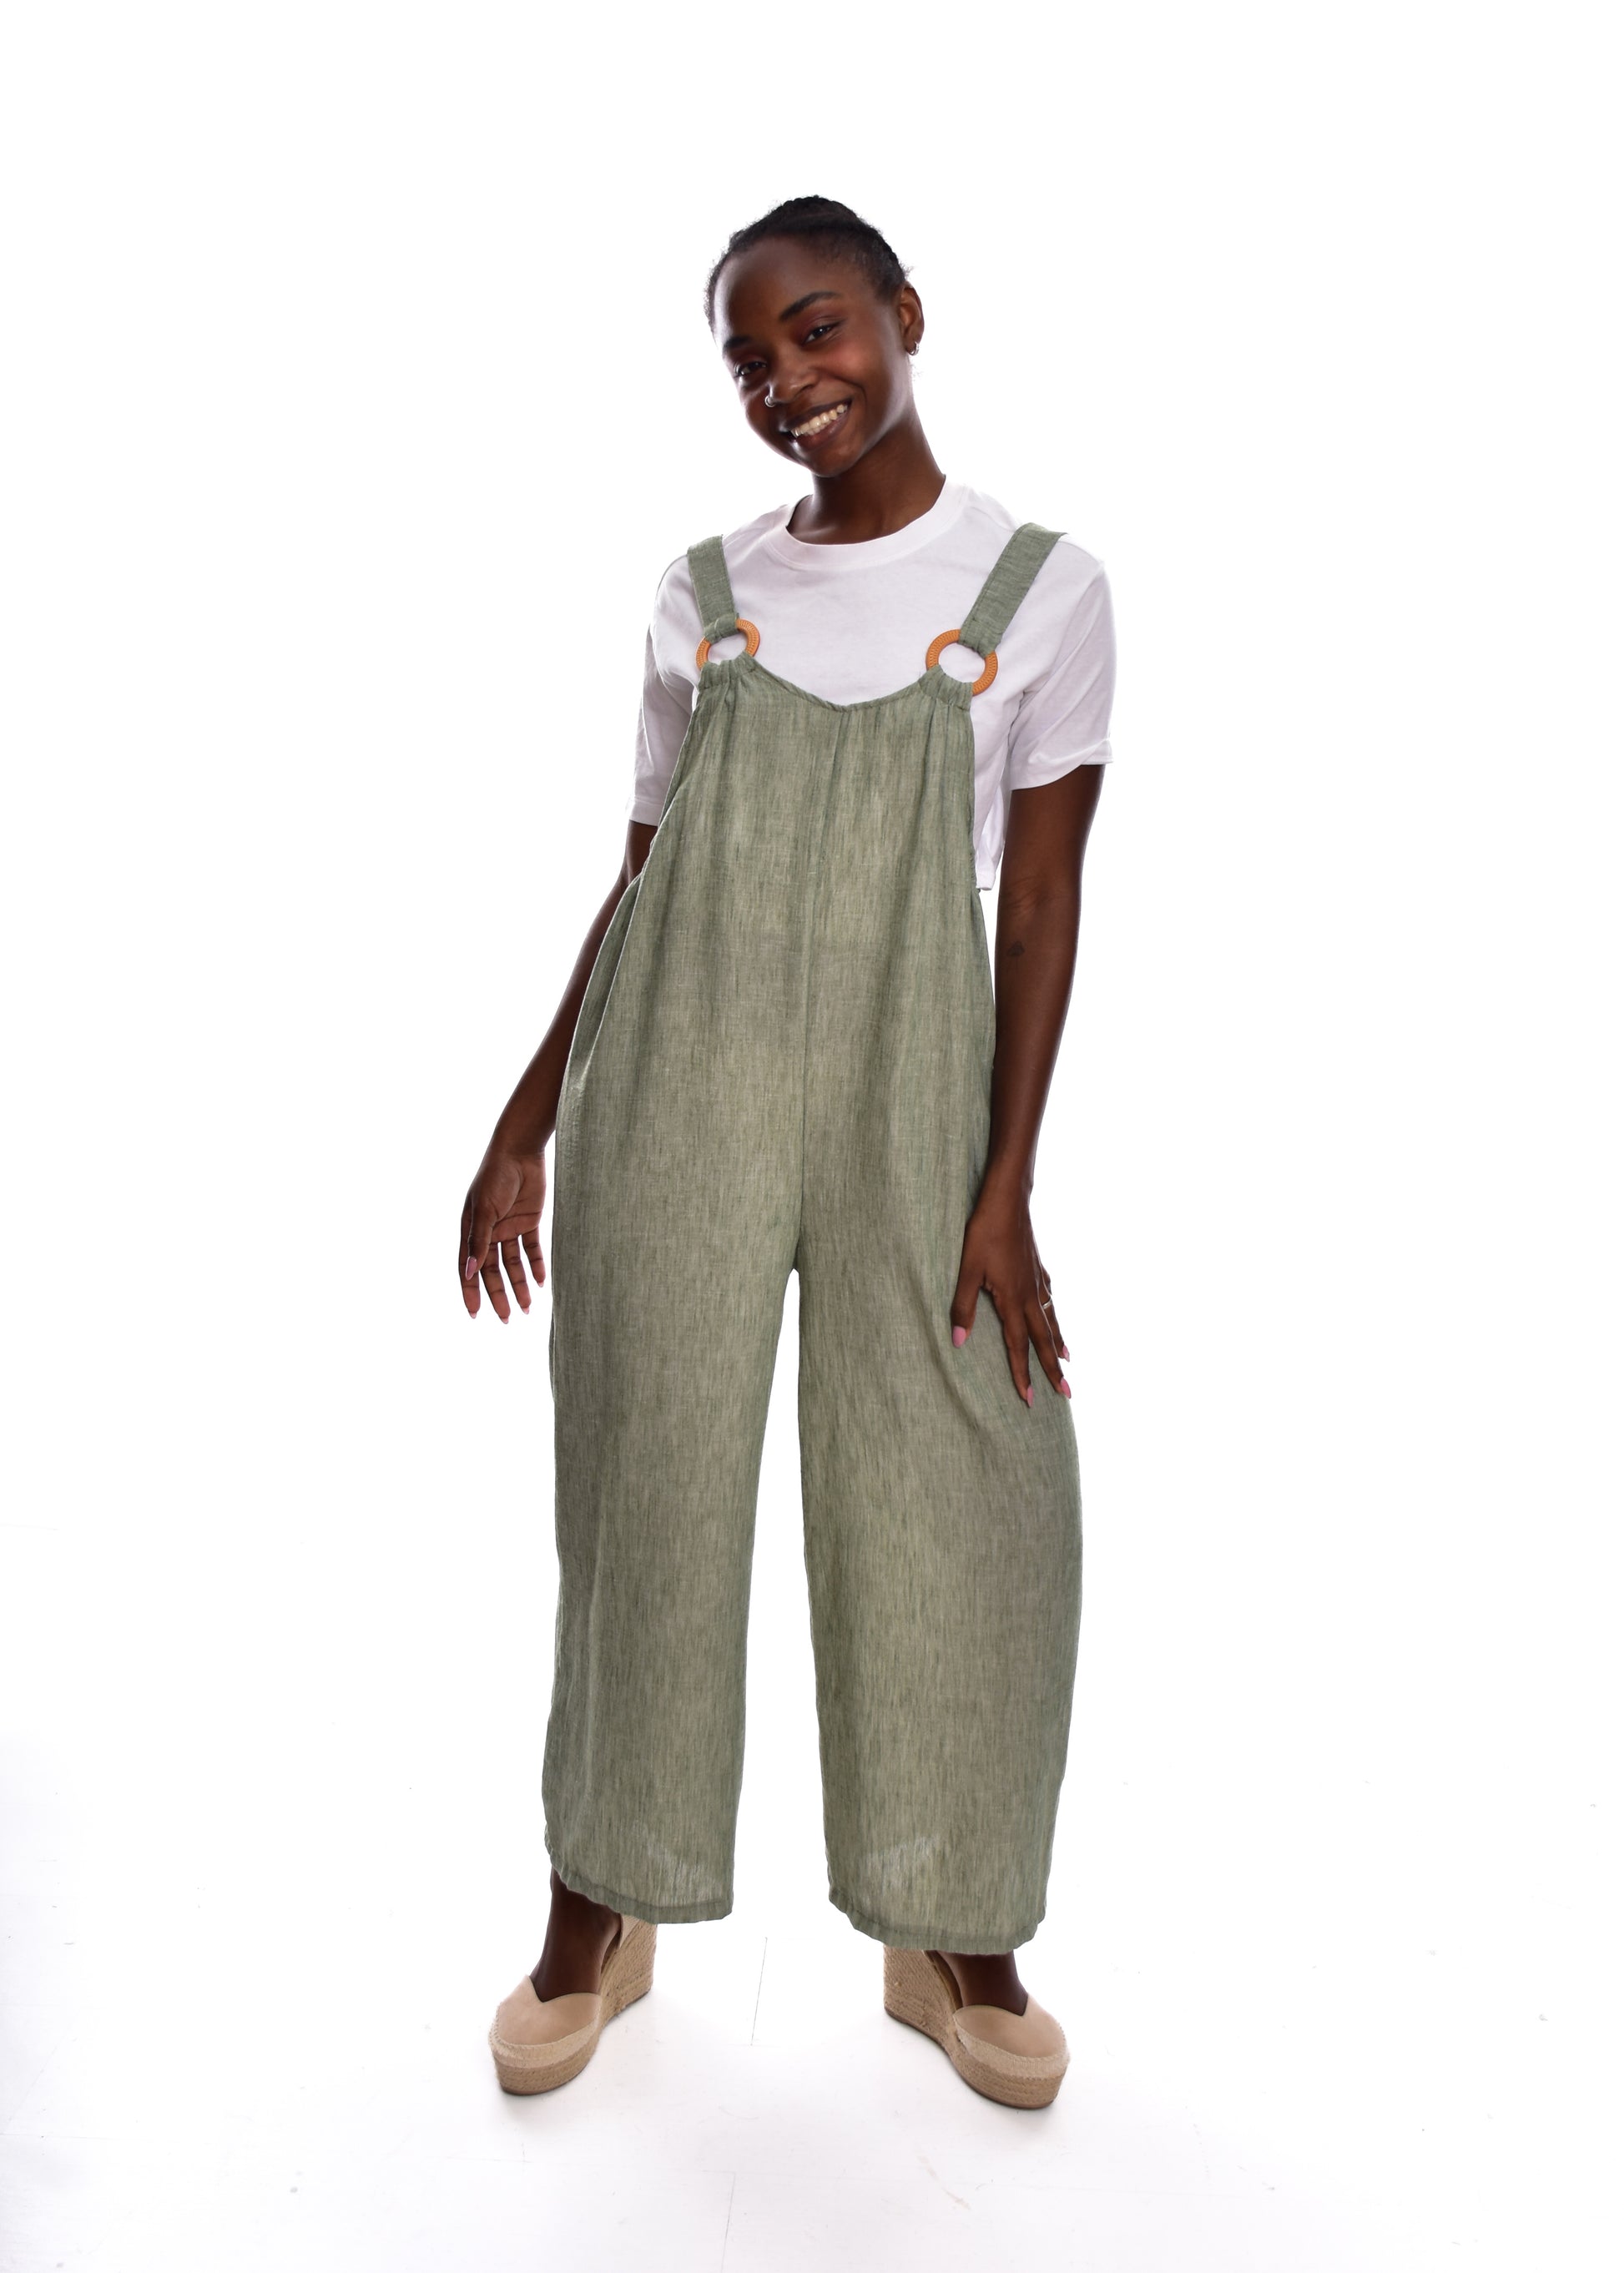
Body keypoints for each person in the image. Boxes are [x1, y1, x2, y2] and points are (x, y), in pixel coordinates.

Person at [460, 197, 1116, 2109]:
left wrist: (1003, 1190)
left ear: (903, 314)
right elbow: (640, 876)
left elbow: (1043, 908)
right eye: (748, 357)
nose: (786, 380)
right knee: (646, 1476)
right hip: (680, 1074)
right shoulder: (702, 594)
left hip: (916, 1089)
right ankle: (599, 1903)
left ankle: (952, 1920)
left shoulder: (1042, 591)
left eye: (816, 329)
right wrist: (526, 1115)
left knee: (967, 1488)